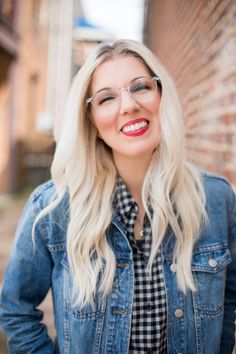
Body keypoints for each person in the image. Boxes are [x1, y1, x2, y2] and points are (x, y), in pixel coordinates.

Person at [0, 39, 235, 354]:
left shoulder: (215, 199)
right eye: (107, 98)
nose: (128, 105)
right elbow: (16, 309)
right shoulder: (53, 208)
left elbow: (229, 298)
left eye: (140, 87)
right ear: (92, 121)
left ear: (161, 95)